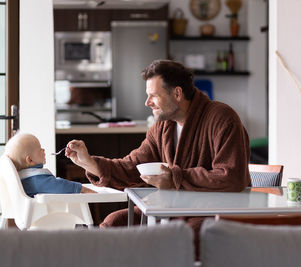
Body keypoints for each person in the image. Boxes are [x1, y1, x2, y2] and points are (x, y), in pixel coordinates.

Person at [65, 59, 250, 255]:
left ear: (177, 93)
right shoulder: (162, 128)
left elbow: (231, 176)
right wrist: (90, 163)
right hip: (170, 210)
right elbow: (133, 166)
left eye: (153, 95)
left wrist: (175, 178)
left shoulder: (221, 118)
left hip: (210, 213)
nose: (147, 102)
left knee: (185, 238)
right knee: (114, 223)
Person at [5, 133, 96, 197]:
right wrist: (81, 188)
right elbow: (59, 185)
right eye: (39, 149)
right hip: (46, 217)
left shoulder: (24, 178)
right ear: (30, 160)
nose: (43, 150)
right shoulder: (36, 179)